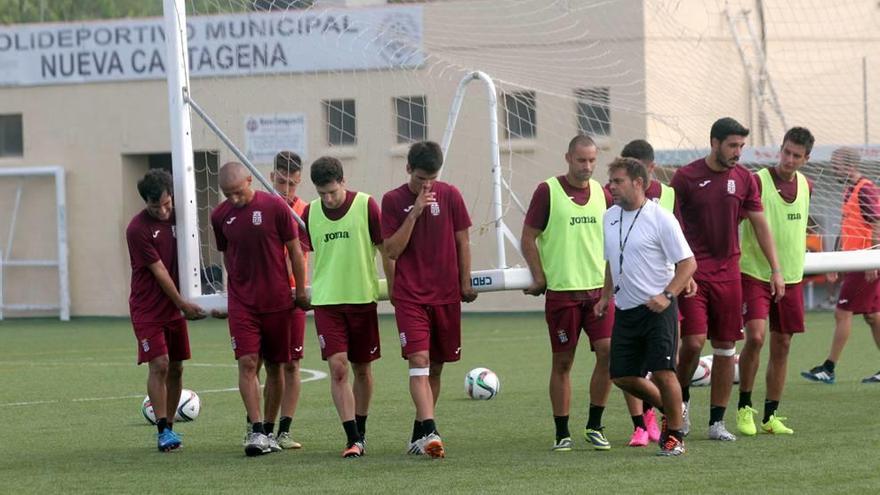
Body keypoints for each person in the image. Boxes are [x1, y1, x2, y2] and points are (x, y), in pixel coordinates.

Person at [670, 117, 784, 441]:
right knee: (692, 341)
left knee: (725, 348)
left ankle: (717, 423)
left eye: (741, 146)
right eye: (732, 145)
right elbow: (670, 227)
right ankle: (680, 401)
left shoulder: (745, 179)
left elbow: (761, 225)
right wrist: (679, 269)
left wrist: (776, 269)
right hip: (693, 274)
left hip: (729, 275)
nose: (738, 152)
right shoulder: (686, 178)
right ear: (714, 142)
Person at [594, 157, 696, 456]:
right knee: (621, 375)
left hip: (657, 310)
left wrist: (667, 295)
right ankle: (671, 409)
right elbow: (613, 261)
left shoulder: (661, 217)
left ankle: (675, 435)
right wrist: (604, 296)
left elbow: (688, 263)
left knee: (664, 372)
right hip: (625, 310)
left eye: (618, 181)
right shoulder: (609, 217)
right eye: (610, 180)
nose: (611, 186)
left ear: (638, 183)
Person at [382, 141, 477, 459]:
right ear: (408, 169)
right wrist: (416, 211)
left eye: (432, 177)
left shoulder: (450, 194)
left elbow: (463, 240)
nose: (428, 184)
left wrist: (465, 281)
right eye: (422, 177)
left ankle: (418, 433)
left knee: (435, 368)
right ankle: (432, 430)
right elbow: (392, 250)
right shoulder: (393, 201)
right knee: (419, 361)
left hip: (446, 296)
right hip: (410, 297)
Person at [521, 134, 615, 452]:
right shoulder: (548, 191)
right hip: (563, 294)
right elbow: (528, 237)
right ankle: (562, 432)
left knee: (608, 352)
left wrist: (610, 284)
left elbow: (612, 242)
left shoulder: (604, 194)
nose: (587, 166)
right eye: (581, 160)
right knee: (563, 362)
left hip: (598, 294)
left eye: (592, 160)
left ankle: (594, 424)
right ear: (568, 158)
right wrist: (539, 275)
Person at [210, 162, 309, 456]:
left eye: (238, 192)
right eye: (228, 194)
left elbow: (294, 250)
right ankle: (255, 431)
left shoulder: (275, 207)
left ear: (250, 181)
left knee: (278, 366)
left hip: (277, 300)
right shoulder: (220, 216)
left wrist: (300, 291)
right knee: (248, 363)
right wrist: (234, 289)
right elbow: (227, 255)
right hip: (242, 303)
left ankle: (269, 428)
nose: (234, 199)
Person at [301, 156, 393, 458]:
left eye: (332, 192)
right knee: (338, 367)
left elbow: (385, 252)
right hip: (327, 303)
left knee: (362, 369)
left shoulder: (366, 206)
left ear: (343, 182)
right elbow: (300, 253)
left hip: (362, 299)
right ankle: (352, 437)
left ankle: (361, 430)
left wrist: (394, 288)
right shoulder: (311, 213)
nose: (327, 199)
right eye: (321, 193)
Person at [736, 127, 815, 436]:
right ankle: (744, 407)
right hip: (755, 272)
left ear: (806, 159)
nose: (789, 159)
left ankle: (771, 416)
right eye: (786, 152)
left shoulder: (807, 185)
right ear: (779, 149)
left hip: (792, 277)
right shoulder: (757, 181)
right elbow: (738, 221)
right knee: (755, 337)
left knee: (782, 344)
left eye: (797, 155)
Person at [126, 169, 205, 451]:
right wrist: (183, 304)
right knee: (159, 363)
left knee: (176, 367)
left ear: (172, 196)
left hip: (174, 308)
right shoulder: (137, 229)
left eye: (166, 204)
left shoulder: (181, 217)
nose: (161, 210)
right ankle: (162, 430)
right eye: (154, 206)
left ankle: (170, 426)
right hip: (148, 307)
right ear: (145, 202)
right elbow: (159, 271)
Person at [802, 147, 880, 384]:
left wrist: (873, 260)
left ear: (847, 165)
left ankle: (829, 368)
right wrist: (835, 259)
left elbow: (877, 223)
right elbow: (846, 228)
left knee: (842, 313)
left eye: (835, 164)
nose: (833, 168)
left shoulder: (865, 189)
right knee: (874, 316)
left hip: (864, 264)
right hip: (856, 262)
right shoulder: (850, 190)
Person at [617, 139, 673, 447]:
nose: (616, 183)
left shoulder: (669, 198)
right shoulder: (614, 207)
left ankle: (672, 419)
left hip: (663, 295)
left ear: (648, 171)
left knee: (664, 365)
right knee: (626, 369)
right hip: (628, 297)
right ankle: (640, 423)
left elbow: (680, 246)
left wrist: (679, 282)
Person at [256, 151, 308, 450]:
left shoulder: (303, 211)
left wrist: (297, 289)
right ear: (271, 176)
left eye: (293, 184)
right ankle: (258, 426)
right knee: (260, 363)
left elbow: (299, 257)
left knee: (292, 365)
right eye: (282, 182)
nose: (288, 190)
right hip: (262, 298)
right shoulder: (260, 208)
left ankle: (283, 431)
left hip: (292, 297)